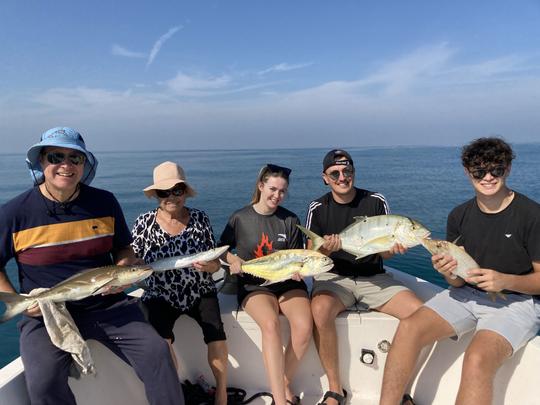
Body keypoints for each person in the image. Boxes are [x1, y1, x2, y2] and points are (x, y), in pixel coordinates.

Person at [0, 127, 184, 405]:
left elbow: (123, 248)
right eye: (56, 157)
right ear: (41, 161)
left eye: (75, 158)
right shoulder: (15, 213)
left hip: (108, 305)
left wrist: (123, 269)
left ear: (84, 165)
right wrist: (22, 302)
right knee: (43, 380)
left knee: (157, 351)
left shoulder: (104, 201)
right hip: (48, 312)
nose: (66, 165)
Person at [379, 137, 540, 405]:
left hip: (517, 302)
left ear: (508, 169)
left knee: (477, 359)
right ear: (468, 172)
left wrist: (505, 281)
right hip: (466, 294)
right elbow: (455, 282)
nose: (487, 177)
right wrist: (447, 272)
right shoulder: (458, 216)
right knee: (409, 328)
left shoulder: (532, 215)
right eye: (479, 171)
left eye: (496, 169)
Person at [305, 149, 423, 405]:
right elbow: (310, 254)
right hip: (334, 279)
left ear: (354, 172)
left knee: (419, 314)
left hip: (375, 278)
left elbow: (384, 253)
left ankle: (398, 391)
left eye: (347, 171)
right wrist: (327, 248)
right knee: (320, 310)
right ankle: (335, 390)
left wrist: (392, 249)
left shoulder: (375, 200)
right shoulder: (318, 206)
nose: (342, 177)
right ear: (325, 177)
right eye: (334, 173)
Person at [132, 161, 228, 405]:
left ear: (185, 191)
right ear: (156, 195)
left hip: (200, 290)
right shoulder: (144, 223)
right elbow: (132, 265)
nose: (171, 197)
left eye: (177, 190)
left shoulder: (200, 219)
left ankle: (222, 393)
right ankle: (173, 392)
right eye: (164, 192)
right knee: (161, 344)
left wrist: (211, 267)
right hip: (159, 294)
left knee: (216, 335)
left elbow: (215, 263)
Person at [219, 164, 312, 405]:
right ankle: (281, 400)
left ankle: (282, 383)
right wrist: (233, 260)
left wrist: (298, 271)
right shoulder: (240, 217)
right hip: (254, 285)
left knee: (303, 327)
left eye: (282, 191)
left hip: (287, 283)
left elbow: (296, 255)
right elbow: (221, 252)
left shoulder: (290, 219)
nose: (277, 195)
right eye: (272, 189)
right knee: (270, 325)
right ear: (261, 186)